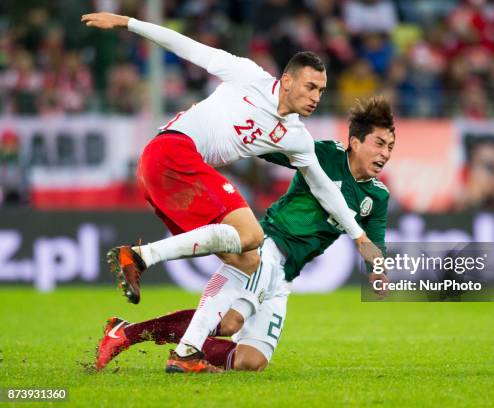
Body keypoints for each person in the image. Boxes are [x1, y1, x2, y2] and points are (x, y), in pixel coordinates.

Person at [82, 12, 381, 371]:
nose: (316, 96)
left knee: (247, 260)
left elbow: (321, 184)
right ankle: (140, 257)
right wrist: (128, 22)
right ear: (286, 81)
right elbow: (188, 48)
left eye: (321, 90)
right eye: (310, 87)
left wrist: (359, 235)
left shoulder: (295, 136)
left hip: (167, 177)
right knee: (251, 234)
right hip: (171, 150)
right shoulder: (249, 75)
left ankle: (184, 352)